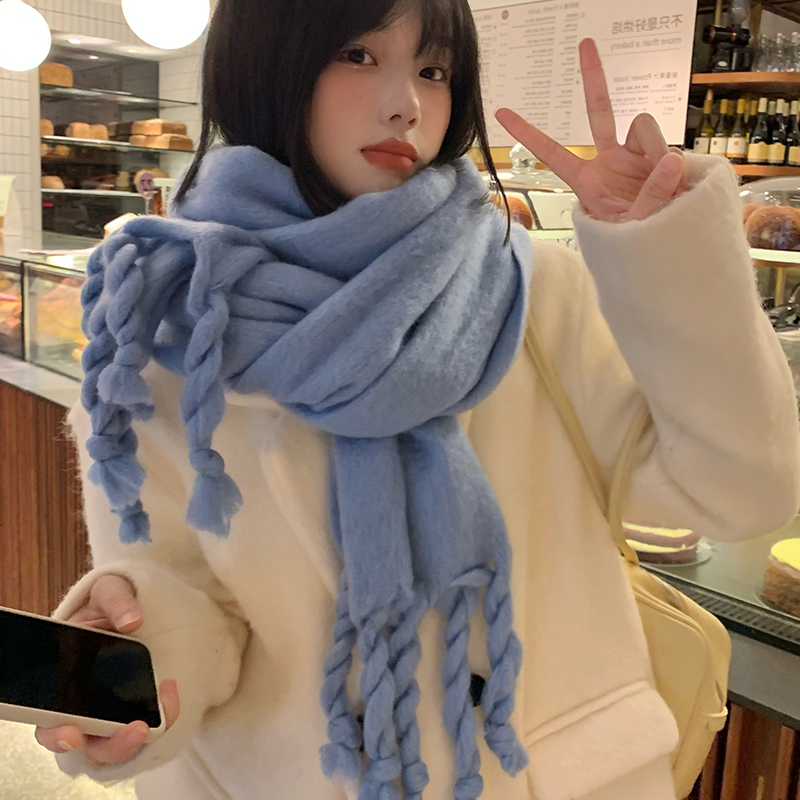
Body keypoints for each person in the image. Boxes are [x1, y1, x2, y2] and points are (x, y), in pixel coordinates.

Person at [33, 1, 800, 799]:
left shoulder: (531, 293)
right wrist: (137, 651)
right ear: (261, 64)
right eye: (357, 55)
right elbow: (190, 597)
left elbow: (738, 492)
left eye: (434, 70)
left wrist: (670, 260)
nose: (407, 104)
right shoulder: (161, 330)